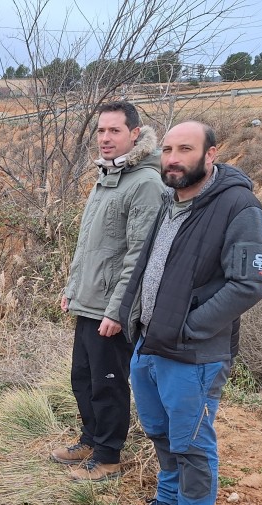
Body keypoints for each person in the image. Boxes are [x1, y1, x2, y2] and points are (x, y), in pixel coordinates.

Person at [117, 121, 262, 505]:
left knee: (191, 443)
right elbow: (148, 268)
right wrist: (135, 323)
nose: (172, 158)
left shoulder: (239, 207)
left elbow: (248, 285)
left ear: (211, 153)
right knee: (159, 431)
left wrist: (188, 328)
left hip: (194, 353)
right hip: (150, 343)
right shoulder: (169, 201)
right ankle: (166, 502)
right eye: (166, 149)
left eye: (185, 148)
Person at [51, 101, 167, 482]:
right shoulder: (108, 177)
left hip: (111, 309)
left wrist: (118, 312)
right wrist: (72, 288)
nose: (105, 138)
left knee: (108, 383)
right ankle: (90, 439)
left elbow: (138, 257)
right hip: (89, 300)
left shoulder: (146, 184)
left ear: (135, 134)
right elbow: (89, 245)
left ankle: (108, 458)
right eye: (101, 130)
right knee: (82, 378)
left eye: (114, 131)